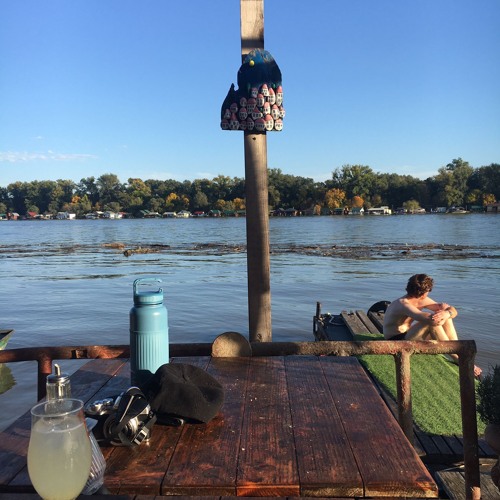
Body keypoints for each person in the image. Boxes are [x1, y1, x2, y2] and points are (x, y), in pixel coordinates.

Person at [383, 273, 482, 377]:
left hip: (409, 335)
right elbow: (432, 321)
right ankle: (458, 358)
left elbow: (453, 311)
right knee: (432, 322)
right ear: (424, 292)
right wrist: (443, 314)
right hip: (396, 340)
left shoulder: (422, 300)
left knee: (445, 316)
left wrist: (447, 313)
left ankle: (457, 350)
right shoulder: (403, 304)